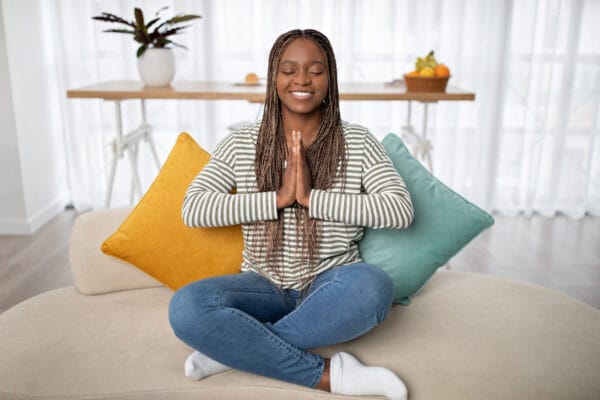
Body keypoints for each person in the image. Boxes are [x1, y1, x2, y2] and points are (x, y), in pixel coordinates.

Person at [168, 29, 414, 400]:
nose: (302, 80)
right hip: (263, 285)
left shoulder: (358, 141)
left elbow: (399, 209)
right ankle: (330, 375)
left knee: (373, 287)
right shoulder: (240, 142)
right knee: (186, 309)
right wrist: (279, 199)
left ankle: (237, 350)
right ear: (273, 78)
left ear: (330, 79)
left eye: (315, 70)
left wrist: (313, 199)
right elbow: (195, 207)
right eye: (289, 69)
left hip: (331, 283)